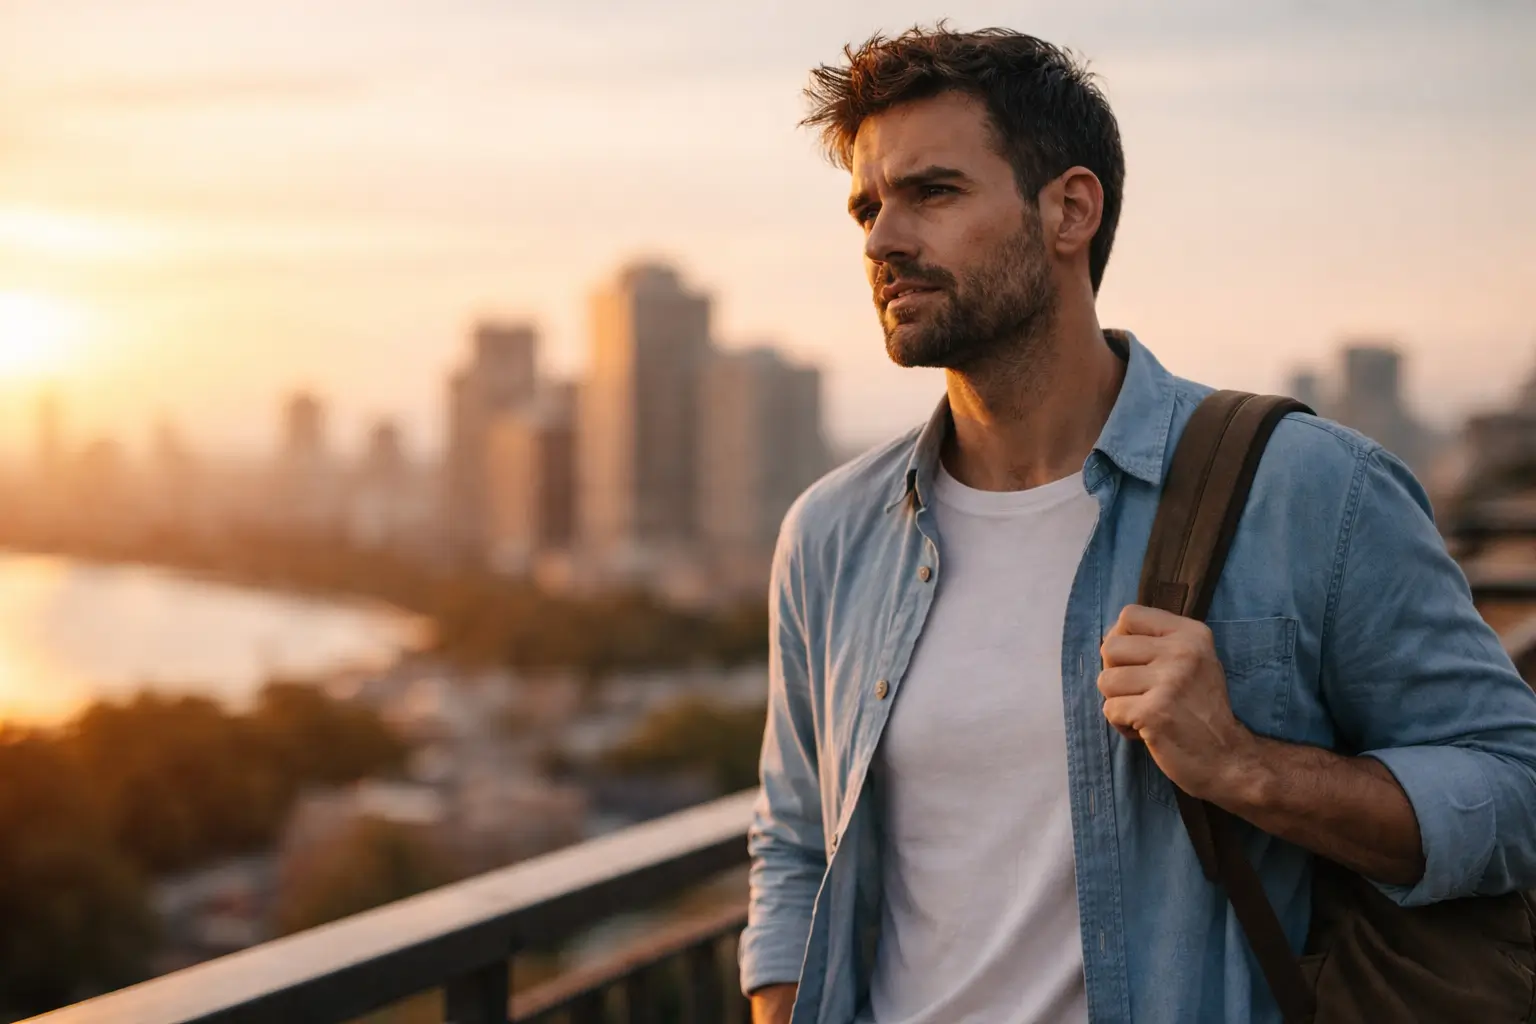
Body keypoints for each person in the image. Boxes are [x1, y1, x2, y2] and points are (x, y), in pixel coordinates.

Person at [739, 24, 1536, 1024]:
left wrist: (1247, 767)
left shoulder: (1312, 491)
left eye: (932, 192)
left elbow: (1512, 789)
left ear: (1070, 209)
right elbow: (796, 843)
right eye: (868, 206)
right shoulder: (832, 534)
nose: (880, 240)